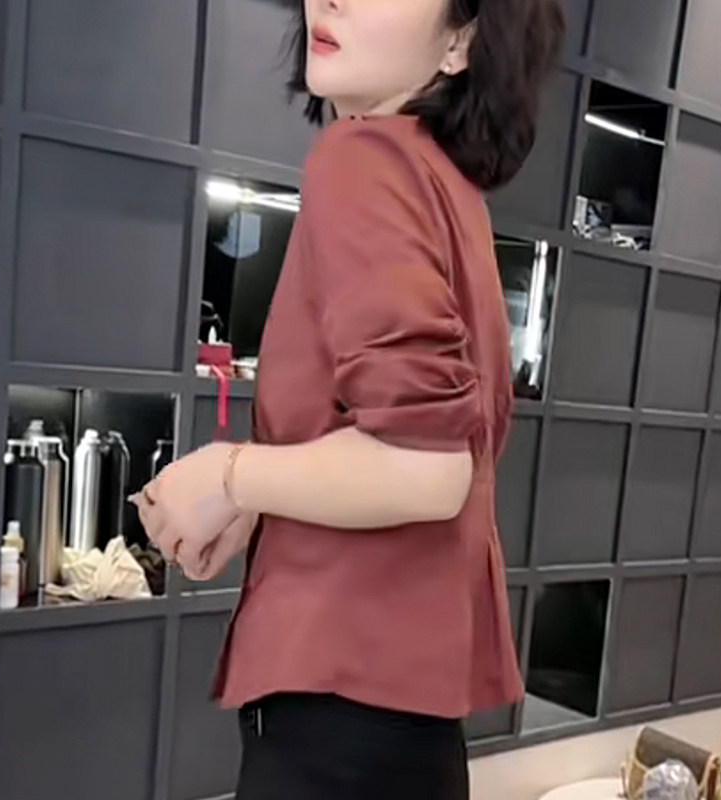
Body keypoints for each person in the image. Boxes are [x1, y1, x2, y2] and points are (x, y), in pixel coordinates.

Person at [131, 0, 564, 797]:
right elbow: (422, 441)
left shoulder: (362, 160)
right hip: (405, 719)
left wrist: (230, 474)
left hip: (338, 711)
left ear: (462, 41)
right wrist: (260, 498)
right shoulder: (445, 186)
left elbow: (426, 468)